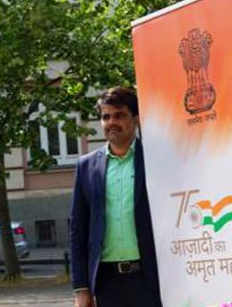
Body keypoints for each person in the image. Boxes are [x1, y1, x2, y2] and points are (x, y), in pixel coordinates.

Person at [69, 87, 162, 307]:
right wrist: (81, 289)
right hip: (106, 282)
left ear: (136, 119)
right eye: (106, 116)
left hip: (149, 279)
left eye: (119, 115)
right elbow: (78, 230)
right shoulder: (86, 167)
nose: (112, 122)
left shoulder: (154, 159)